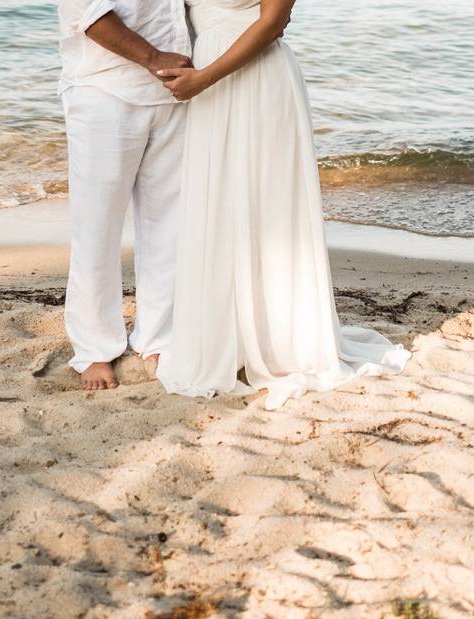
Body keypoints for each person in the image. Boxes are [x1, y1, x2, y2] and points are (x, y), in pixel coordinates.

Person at [155, 0, 411, 409]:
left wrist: (202, 78)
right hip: (208, 80)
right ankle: (228, 338)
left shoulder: (215, 73)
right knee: (221, 206)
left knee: (268, 204)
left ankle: (281, 341)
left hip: (254, 76)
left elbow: (273, 22)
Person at [57, 0, 193, 390]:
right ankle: (95, 349)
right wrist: (152, 57)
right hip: (104, 87)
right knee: (97, 226)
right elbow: (88, 13)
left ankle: (158, 337)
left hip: (174, 90)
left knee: (169, 223)